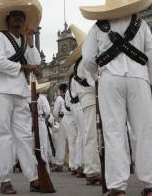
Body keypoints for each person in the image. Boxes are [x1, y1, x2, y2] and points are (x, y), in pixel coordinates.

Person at [81, 0, 152, 196]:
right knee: (144, 130)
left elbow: (87, 58)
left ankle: (117, 186)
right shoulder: (142, 24)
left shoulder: (97, 27)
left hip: (110, 80)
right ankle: (151, 185)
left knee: (114, 132)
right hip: (138, 78)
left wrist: (97, 75)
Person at [0, 0, 42, 194]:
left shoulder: (23, 42)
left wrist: (30, 41)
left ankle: (34, 177)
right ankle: (5, 179)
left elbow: (36, 62)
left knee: (25, 136)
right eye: (15, 17)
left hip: (20, 92)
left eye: (22, 17)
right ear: (8, 19)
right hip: (0, 91)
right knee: (2, 136)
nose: (19, 20)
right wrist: (24, 66)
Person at [65, 24, 102, 185]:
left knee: (88, 134)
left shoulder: (79, 64)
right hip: (91, 99)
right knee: (91, 134)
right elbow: (93, 82)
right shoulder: (86, 62)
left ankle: (92, 168)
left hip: (86, 101)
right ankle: (92, 169)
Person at [51, 84, 68, 172]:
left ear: (60, 90)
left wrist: (58, 120)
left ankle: (59, 163)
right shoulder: (69, 95)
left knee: (61, 142)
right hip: (73, 117)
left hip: (64, 119)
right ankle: (75, 165)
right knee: (74, 141)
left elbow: (55, 112)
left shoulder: (59, 99)